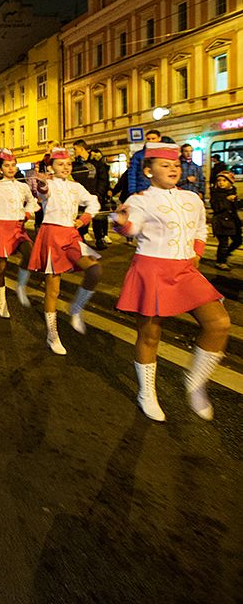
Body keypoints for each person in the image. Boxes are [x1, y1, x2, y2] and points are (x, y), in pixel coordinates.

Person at [111, 143, 228, 421]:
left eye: (175, 164)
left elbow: (201, 228)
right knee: (150, 335)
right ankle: (147, 393)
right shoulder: (139, 200)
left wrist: (197, 253)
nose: (173, 168)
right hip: (151, 269)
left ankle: (196, 382)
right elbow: (131, 228)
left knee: (219, 323)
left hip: (185, 269)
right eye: (165, 165)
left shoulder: (192, 198)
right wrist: (121, 222)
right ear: (149, 171)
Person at [27, 148, 103, 355]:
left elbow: (93, 201)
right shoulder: (49, 184)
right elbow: (42, 191)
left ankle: (76, 307)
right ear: (52, 167)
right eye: (61, 164)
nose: (66, 167)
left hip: (71, 235)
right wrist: (41, 182)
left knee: (95, 270)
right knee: (53, 289)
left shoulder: (76, 187)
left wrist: (84, 219)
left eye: (68, 164)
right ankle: (52, 335)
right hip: (51, 236)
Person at [0, 149, 38, 318]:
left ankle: (20, 284)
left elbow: (32, 202)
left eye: (13, 165)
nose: (11, 169)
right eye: (7, 166)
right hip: (2, 228)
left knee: (31, 254)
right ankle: (2, 302)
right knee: (1, 269)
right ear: (1, 168)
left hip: (18, 228)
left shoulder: (23, 186)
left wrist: (27, 214)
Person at [211, 171, 241, 270]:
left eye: (224, 180)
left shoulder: (233, 192)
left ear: (230, 182)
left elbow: (236, 207)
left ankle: (225, 255)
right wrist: (227, 200)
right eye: (219, 180)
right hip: (220, 222)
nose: (221, 182)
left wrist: (236, 201)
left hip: (232, 222)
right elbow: (216, 207)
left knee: (238, 241)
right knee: (223, 243)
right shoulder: (215, 193)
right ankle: (220, 261)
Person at [126, 129, 162, 196]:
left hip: (160, 189)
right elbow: (132, 174)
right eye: (148, 139)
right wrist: (133, 191)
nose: (150, 141)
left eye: (153, 138)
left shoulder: (163, 154)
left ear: (159, 139)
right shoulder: (138, 155)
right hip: (143, 189)